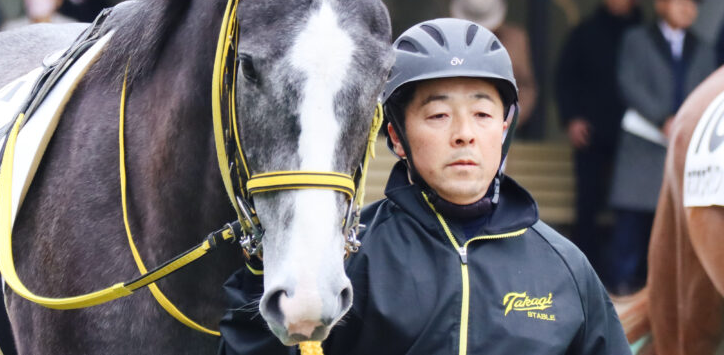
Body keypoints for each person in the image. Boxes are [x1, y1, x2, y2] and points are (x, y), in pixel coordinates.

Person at [220, 18, 629, 355]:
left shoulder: (565, 266)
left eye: (483, 113)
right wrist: (263, 267)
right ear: (396, 136)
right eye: (437, 115)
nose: (464, 134)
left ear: (505, 127)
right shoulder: (347, 257)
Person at [607, 0, 715, 295]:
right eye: (681, 0)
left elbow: (707, 91)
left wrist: (685, 122)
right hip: (643, 142)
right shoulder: (636, 39)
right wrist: (661, 118)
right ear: (661, 3)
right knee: (632, 222)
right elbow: (629, 83)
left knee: (674, 223)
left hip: (684, 147)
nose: (688, 9)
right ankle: (621, 290)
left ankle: (663, 291)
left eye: (692, 3)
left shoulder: (704, 48)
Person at [554, 0, 643, 276]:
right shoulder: (586, 32)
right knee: (587, 205)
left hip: (634, 140)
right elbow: (565, 78)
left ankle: (626, 277)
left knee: (631, 207)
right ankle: (583, 272)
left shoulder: (643, 37)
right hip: (590, 132)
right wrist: (571, 119)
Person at [450, 0, 537, 124]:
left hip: (500, 129)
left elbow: (526, 85)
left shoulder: (516, 40)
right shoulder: (447, 39)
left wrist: (512, 117)